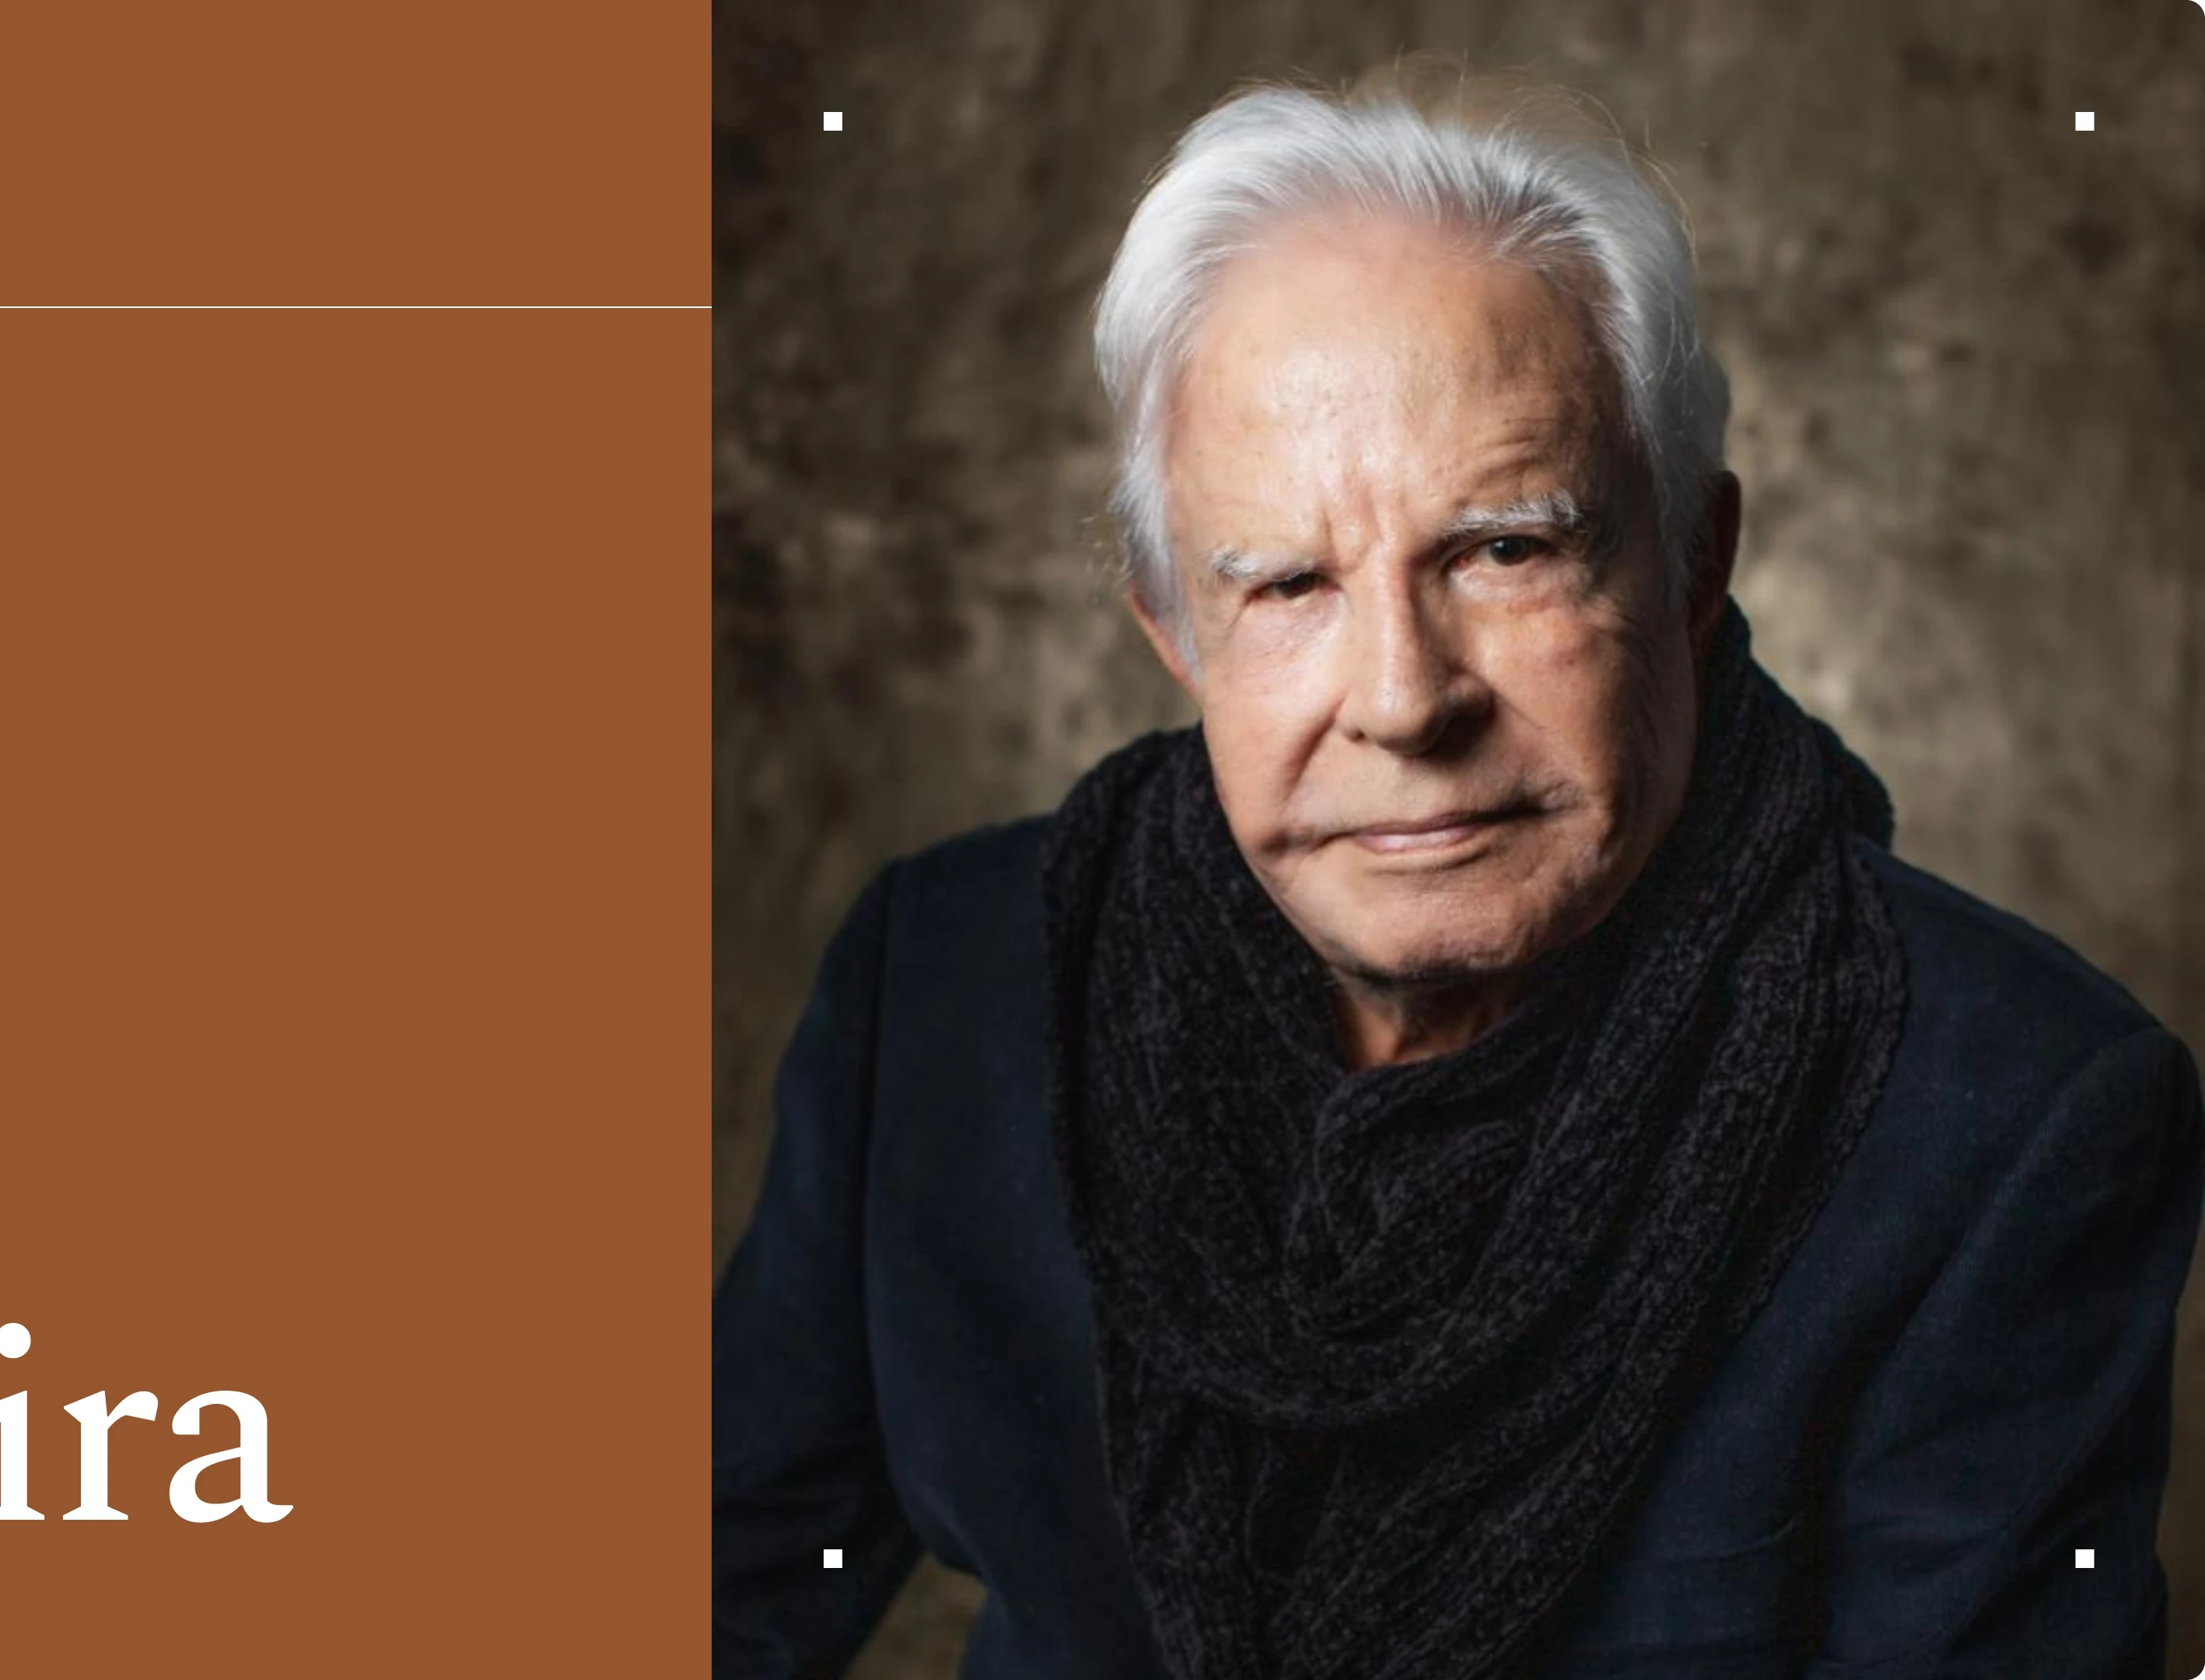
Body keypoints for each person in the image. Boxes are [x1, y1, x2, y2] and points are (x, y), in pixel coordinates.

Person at [712, 69, 2205, 1680]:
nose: (1406, 700)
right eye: (1284, 583)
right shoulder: (942, 983)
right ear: (1175, 634)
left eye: (1504, 549)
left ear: (1693, 563)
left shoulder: (2014, 1116)